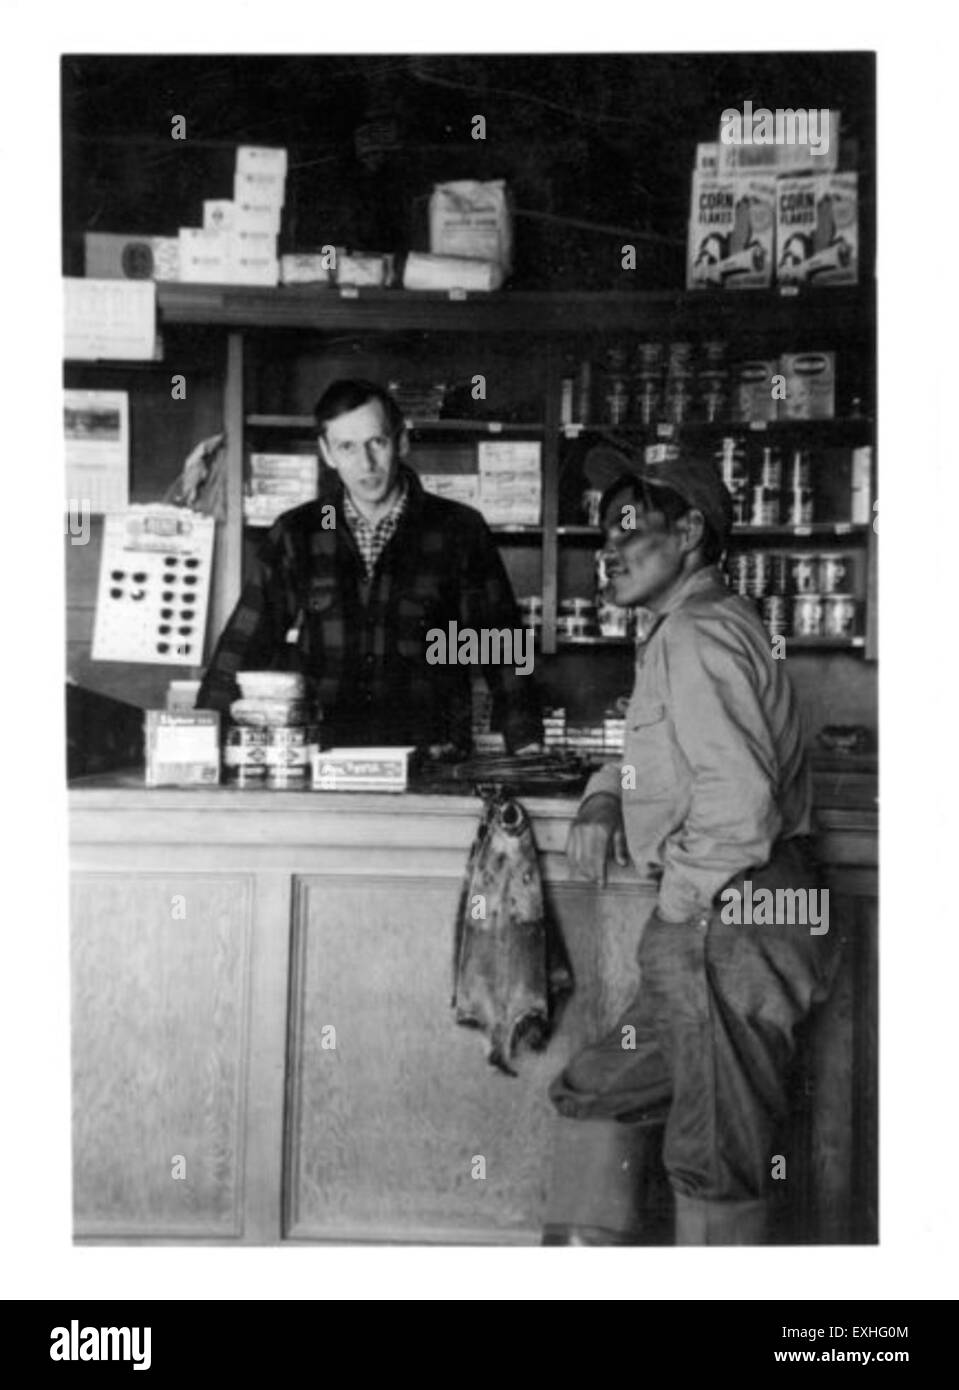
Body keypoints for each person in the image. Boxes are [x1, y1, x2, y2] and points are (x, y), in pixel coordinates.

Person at [545, 440, 839, 1245]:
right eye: (604, 530)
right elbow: (663, 752)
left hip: (728, 918)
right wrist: (606, 795)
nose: (609, 546)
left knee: (713, 1155)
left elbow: (738, 807)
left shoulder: (694, 637)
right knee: (599, 1089)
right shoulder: (691, 626)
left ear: (691, 534)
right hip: (728, 918)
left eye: (631, 525)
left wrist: (676, 905)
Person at [196, 379, 542, 753]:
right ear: (327, 453)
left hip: (433, 761)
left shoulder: (459, 529)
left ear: (402, 441)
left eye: (377, 442)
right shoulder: (299, 532)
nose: (366, 464)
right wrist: (197, 738)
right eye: (347, 447)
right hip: (325, 763)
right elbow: (241, 646)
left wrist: (527, 745)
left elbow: (500, 647)